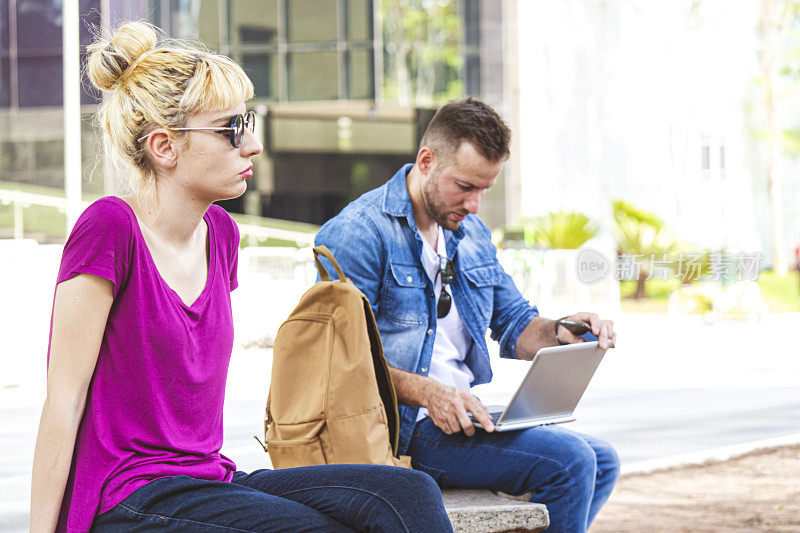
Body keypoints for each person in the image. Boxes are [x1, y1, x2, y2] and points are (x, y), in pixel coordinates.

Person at [29, 22, 451, 533]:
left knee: (408, 493)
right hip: (128, 493)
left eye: (247, 121)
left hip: (209, 479)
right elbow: (63, 401)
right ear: (164, 147)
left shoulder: (221, 234)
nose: (251, 144)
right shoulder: (109, 230)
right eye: (230, 128)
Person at [315, 98, 620, 533]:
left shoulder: (468, 231)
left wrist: (562, 331)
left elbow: (515, 325)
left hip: (460, 417)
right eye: (464, 187)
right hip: (402, 427)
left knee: (601, 460)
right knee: (571, 462)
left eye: (484, 190)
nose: (475, 205)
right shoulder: (357, 233)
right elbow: (339, 362)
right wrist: (429, 393)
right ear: (426, 161)